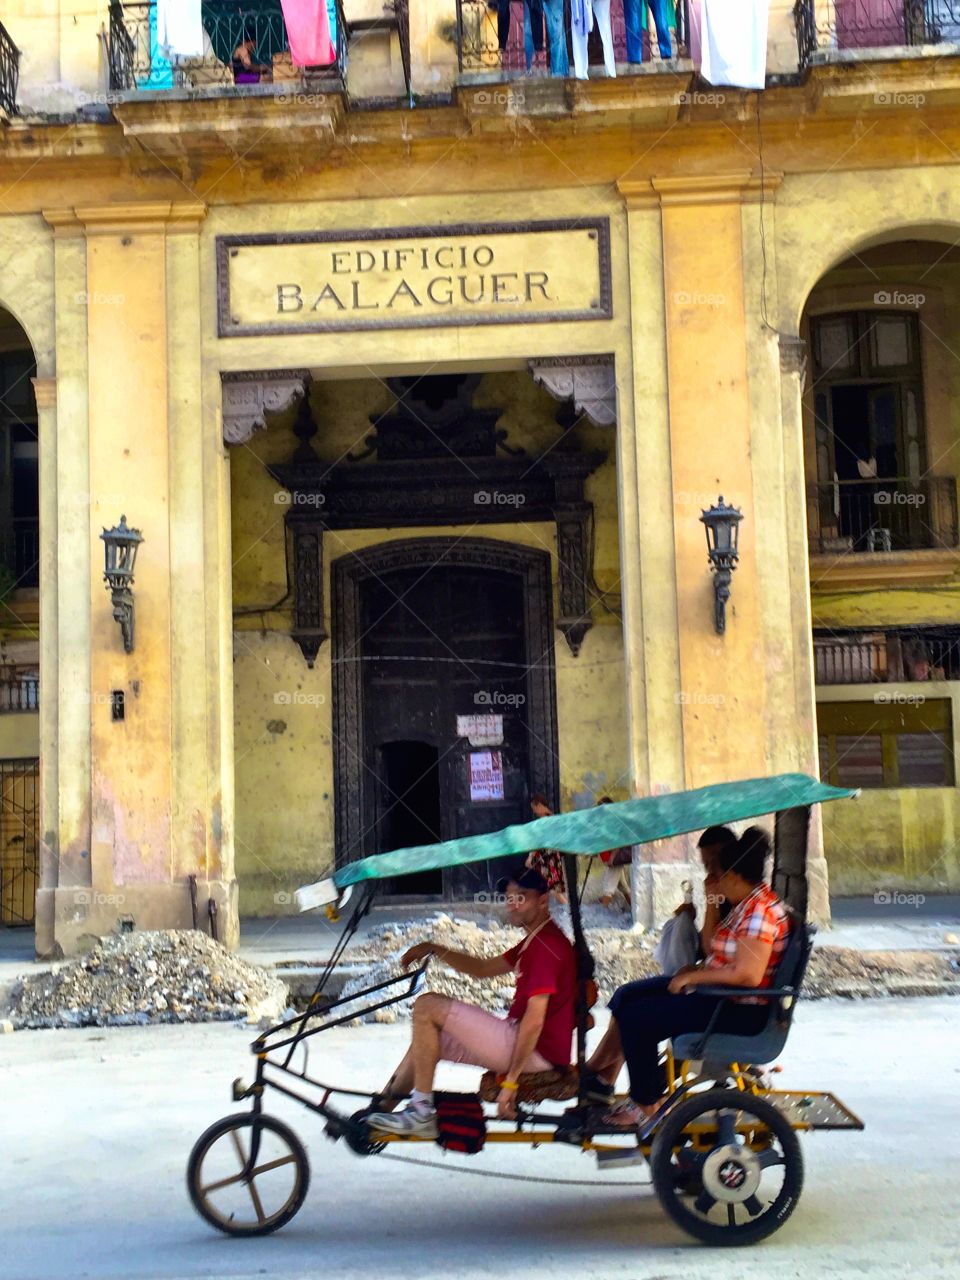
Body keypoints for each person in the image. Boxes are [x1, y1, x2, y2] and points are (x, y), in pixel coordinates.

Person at [582, 827, 790, 1125]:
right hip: (720, 997)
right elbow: (717, 953)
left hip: (737, 1010)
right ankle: (605, 1075)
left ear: (731, 876)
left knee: (638, 1019)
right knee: (630, 998)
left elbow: (748, 975)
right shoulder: (746, 905)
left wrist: (693, 978)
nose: (713, 881)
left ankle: (646, 1104)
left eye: (718, 876)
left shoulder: (759, 912)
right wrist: (693, 971)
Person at [366, 866, 577, 1137]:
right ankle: (383, 1110)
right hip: (523, 1041)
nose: (512, 904)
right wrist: (434, 948)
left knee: (427, 1005)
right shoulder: (535, 941)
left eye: (521, 896)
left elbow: (535, 1021)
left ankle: (420, 1112)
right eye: (509, 897)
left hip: (535, 1051)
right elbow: (481, 969)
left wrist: (511, 1083)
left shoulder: (548, 947)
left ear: (542, 900)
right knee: (428, 1040)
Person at [525, 793, 567, 904]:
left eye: (534, 808)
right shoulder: (553, 819)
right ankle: (566, 909)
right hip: (553, 857)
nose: (534, 811)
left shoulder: (542, 822)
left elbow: (538, 841)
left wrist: (530, 857)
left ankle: (568, 909)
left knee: (551, 887)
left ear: (539, 805)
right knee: (552, 887)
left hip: (545, 859)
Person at [595, 796, 632, 910]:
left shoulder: (614, 821)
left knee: (608, 888)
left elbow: (619, 840)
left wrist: (612, 857)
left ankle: (601, 915)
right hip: (612, 859)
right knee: (623, 887)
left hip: (614, 860)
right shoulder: (610, 820)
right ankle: (635, 909)